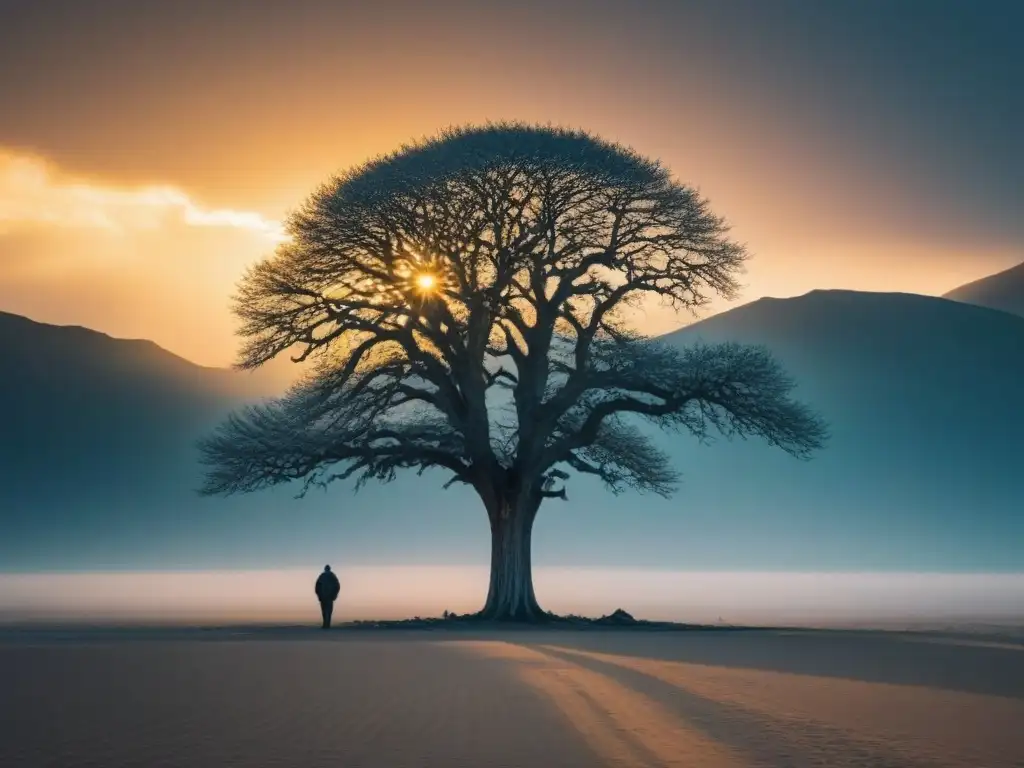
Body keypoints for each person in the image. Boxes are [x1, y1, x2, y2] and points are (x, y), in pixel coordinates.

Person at [314, 565, 340, 629]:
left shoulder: (324, 576)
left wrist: (319, 595)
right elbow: (337, 586)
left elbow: (317, 587)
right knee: (327, 611)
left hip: (327, 596)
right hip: (326, 596)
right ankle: (326, 624)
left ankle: (326, 624)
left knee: (325, 611)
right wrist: (334, 595)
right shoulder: (330, 576)